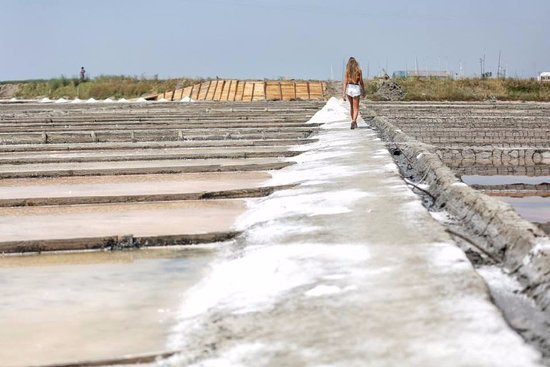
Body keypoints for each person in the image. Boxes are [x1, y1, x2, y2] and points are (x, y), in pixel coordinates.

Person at [342, 57, 365, 129]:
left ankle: (353, 121)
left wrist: (343, 93)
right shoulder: (359, 71)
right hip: (356, 88)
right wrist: (363, 90)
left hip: (349, 88)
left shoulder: (347, 71)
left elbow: (345, 82)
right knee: (356, 107)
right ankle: (354, 120)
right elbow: (361, 82)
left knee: (351, 106)